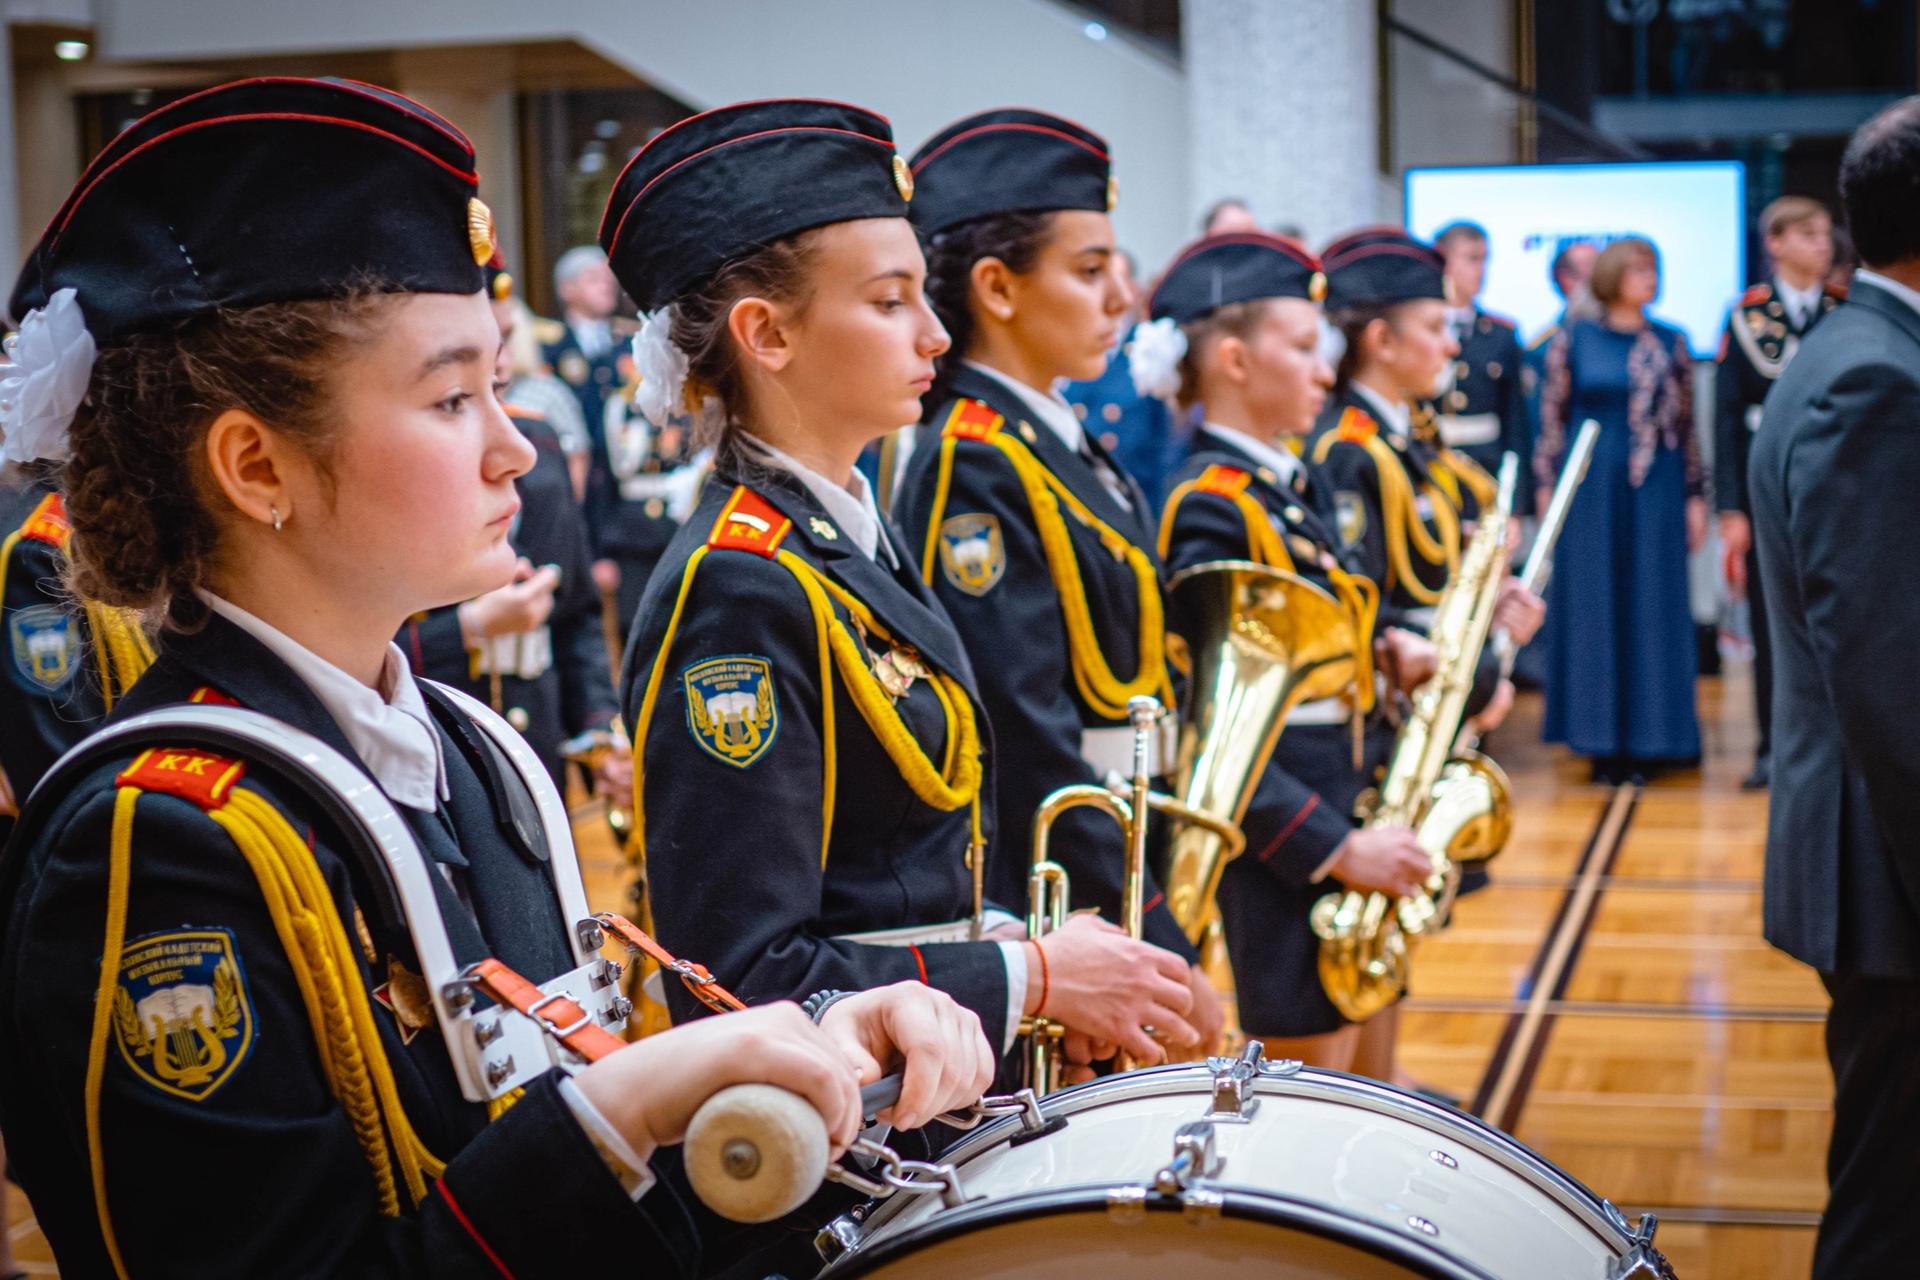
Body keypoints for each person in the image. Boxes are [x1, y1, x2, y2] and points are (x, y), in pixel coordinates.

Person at [0, 78, 991, 1279]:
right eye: (453, 397)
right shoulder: (157, 836)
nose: (514, 446)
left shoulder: (475, 755)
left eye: (501, 391)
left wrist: (821, 1057)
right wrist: (623, 1109)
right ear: (257, 463)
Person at [608, 98, 1200, 1085]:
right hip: (862, 1159)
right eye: (890, 302)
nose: (934, 335)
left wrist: (1046, 961)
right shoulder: (740, 584)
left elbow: (908, 878)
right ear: (767, 334)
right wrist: (1029, 975)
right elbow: (739, 978)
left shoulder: (843, 535)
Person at [893, 108, 1225, 1049]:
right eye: (1089, 271)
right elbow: (1026, 733)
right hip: (1074, 882)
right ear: (997, 287)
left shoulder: (1058, 438)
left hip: (1131, 846)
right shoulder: (976, 459)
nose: (1123, 297)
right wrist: (1153, 930)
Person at [1142, 231, 1437, 1071]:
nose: (1324, 370)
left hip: (1351, 799)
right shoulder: (1211, 505)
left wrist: (1379, 656)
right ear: (1233, 360)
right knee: (1315, 1094)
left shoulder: (1285, 486)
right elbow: (1215, 729)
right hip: (1287, 849)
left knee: (1373, 1058)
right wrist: (1334, 849)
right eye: (1304, 347)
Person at [1750, 96, 1920, 1280]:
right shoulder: (1878, 381)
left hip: (1870, 853)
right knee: (1889, 1202)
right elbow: (1889, 679)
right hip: (1891, 865)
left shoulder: (1858, 352)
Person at [401, 255, 629, 797]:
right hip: (434, 750)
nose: (500, 362)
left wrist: (597, 727)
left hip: (537, 742)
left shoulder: (539, 442)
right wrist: (467, 630)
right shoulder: (408, 457)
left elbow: (576, 612)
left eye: (504, 339)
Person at [1535, 237, 1704, 781]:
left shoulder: (1672, 340)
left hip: (1657, 486)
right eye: (1636, 268)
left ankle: (1659, 738)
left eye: (1653, 268)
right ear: (1611, 275)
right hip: (1591, 488)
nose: (1648, 278)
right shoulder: (1575, 338)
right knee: (1595, 607)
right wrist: (1545, 491)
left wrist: (1697, 496)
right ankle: (1600, 740)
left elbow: (1687, 426)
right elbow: (1552, 421)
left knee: (1653, 605)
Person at [1713, 196, 1838, 792]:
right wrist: (1731, 507)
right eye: (1808, 234)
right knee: (1772, 624)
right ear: (1777, 243)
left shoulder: (1843, 309)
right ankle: (1773, 746)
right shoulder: (1748, 317)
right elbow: (1727, 417)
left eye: (1826, 234)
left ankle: (1840, 743)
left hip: (1836, 489)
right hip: (1770, 488)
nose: (1823, 245)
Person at [1063, 248, 1185, 503]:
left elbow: (1163, 447)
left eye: (1117, 278)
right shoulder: (1068, 348)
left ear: (1132, 288)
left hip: (1134, 496)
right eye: (1093, 277)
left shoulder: (1150, 352)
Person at [1435, 221, 1533, 510]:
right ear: (1443, 259)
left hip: (1486, 467)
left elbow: (1515, 420)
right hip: (1432, 467)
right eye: (1471, 259)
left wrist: (1516, 504)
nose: (1481, 269)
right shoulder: (1422, 331)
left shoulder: (1500, 334)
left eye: (1484, 259)